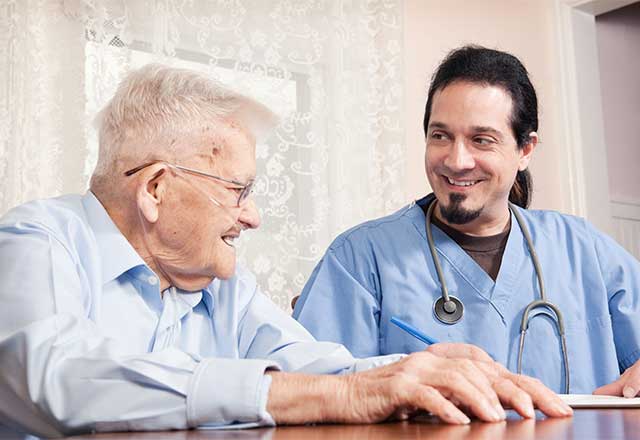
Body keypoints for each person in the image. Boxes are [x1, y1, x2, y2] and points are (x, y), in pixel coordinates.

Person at [0, 64, 571, 437]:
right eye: (237, 191)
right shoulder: (40, 239)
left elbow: (318, 367)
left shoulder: (221, 284)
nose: (252, 215)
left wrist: (416, 371)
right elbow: (59, 379)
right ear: (154, 189)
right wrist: (336, 391)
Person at [294, 45, 640, 399]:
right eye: (440, 135)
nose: (457, 160)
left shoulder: (583, 248)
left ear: (525, 150)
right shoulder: (359, 259)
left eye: (481, 140)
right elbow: (306, 394)